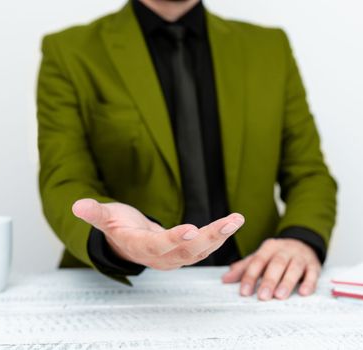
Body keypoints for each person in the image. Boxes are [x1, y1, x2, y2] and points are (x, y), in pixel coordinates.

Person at [36, 0, 337, 301]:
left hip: (250, 283)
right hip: (127, 286)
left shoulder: (269, 48)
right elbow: (64, 180)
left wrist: (299, 239)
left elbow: (308, 173)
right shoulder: (69, 51)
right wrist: (116, 240)